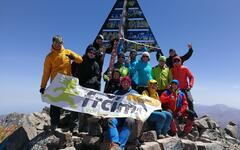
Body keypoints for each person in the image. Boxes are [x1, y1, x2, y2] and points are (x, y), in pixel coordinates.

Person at [40, 35, 83, 130]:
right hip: (56, 82)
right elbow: (46, 73)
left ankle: (74, 126)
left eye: (60, 43)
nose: (58, 45)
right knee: (55, 104)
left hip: (68, 82)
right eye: (56, 43)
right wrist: (43, 86)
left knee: (73, 102)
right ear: (53, 43)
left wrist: (73, 57)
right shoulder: (49, 57)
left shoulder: (68, 52)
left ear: (62, 43)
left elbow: (80, 60)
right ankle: (54, 124)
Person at [108, 76, 136, 150]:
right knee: (111, 120)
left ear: (130, 84)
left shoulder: (135, 93)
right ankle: (115, 143)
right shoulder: (116, 93)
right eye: (123, 83)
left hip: (128, 116)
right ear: (121, 84)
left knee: (130, 120)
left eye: (127, 83)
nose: (125, 84)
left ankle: (120, 147)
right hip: (118, 117)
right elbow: (111, 104)